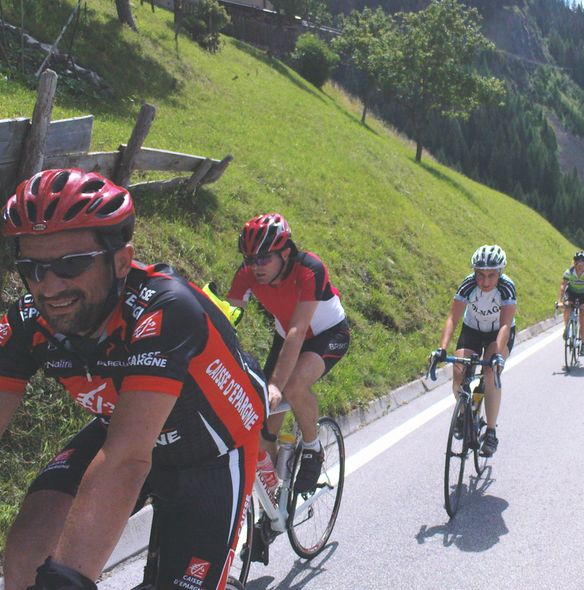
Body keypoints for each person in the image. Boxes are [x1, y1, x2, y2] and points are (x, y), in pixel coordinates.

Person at [0, 169, 266, 590]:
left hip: (211, 454)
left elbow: (125, 460)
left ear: (122, 261)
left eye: (71, 265)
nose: (48, 287)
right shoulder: (28, 321)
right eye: (31, 268)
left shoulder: (166, 308)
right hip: (124, 429)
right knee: (24, 556)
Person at [226, 213, 350, 494]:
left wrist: (275, 385)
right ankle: (272, 504)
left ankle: (312, 447)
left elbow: (298, 329)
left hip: (327, 334)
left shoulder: (309, 268)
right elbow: (226, 321)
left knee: (292, 387)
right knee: (263, 426)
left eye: (263, 258)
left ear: (284, 252)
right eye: (249, 259)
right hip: (286, 338)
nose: (255, 267)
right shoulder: (247, 274)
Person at [431, 244, 516, 457]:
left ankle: (491, 432)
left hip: (498, 332)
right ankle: (464, 413)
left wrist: (497, 356)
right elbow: (453, 318)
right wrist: (442, 349)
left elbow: (505, 325)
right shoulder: (468, 285)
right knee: (458, 374)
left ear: (500, 273)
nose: (485, 282)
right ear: (474, 272)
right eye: (480, 275)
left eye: (491, 275)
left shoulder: (506, 287)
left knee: (490, 374)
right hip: (472, 329)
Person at [558, 249, 584, 356]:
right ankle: (567, 328)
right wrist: (560, 300)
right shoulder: (569, 272)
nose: (580, 267)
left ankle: (583, 344)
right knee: (567, 308)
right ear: (574, 263)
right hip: (571, 293)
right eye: (578, 263)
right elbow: (563, 286)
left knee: (583, 317)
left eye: (582, 264)